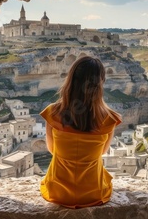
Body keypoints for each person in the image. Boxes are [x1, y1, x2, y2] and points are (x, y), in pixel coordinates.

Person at [39, 56, 122, 209]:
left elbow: (52, 150)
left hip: (57, 191)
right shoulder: (109, 119)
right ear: (100, 84)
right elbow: (102, 152)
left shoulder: (53, 113)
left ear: (70, 80)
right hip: (93, 193)